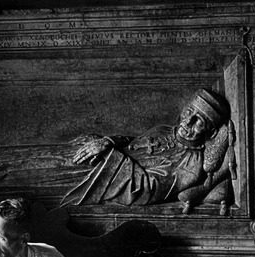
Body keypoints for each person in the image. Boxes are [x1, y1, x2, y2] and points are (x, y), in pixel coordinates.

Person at [62, 87, 235, 214]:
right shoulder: (165, 130)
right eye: (189, 111)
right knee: (55, 154)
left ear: (211, 132)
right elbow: (134, 144)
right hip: (94, 157)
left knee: (47, 173)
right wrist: (108, 141)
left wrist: (109, 155)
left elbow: (147, 190)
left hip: (100, 175)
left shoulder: (191, 166)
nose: (188, 122)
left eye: (199, 121)